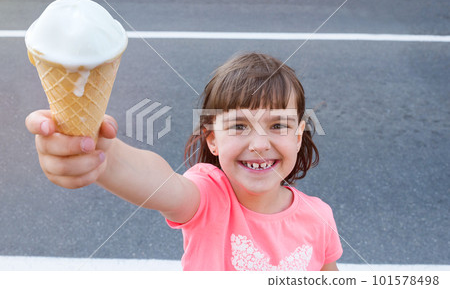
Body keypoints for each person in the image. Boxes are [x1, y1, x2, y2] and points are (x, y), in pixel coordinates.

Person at [26, 52, 342, 271]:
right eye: (239, 126)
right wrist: (101, 153)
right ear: (212, 140)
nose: (259, 144)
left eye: (278, 126)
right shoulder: (208, 197)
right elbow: (159, 183)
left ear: (298, 136)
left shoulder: (320, 217)